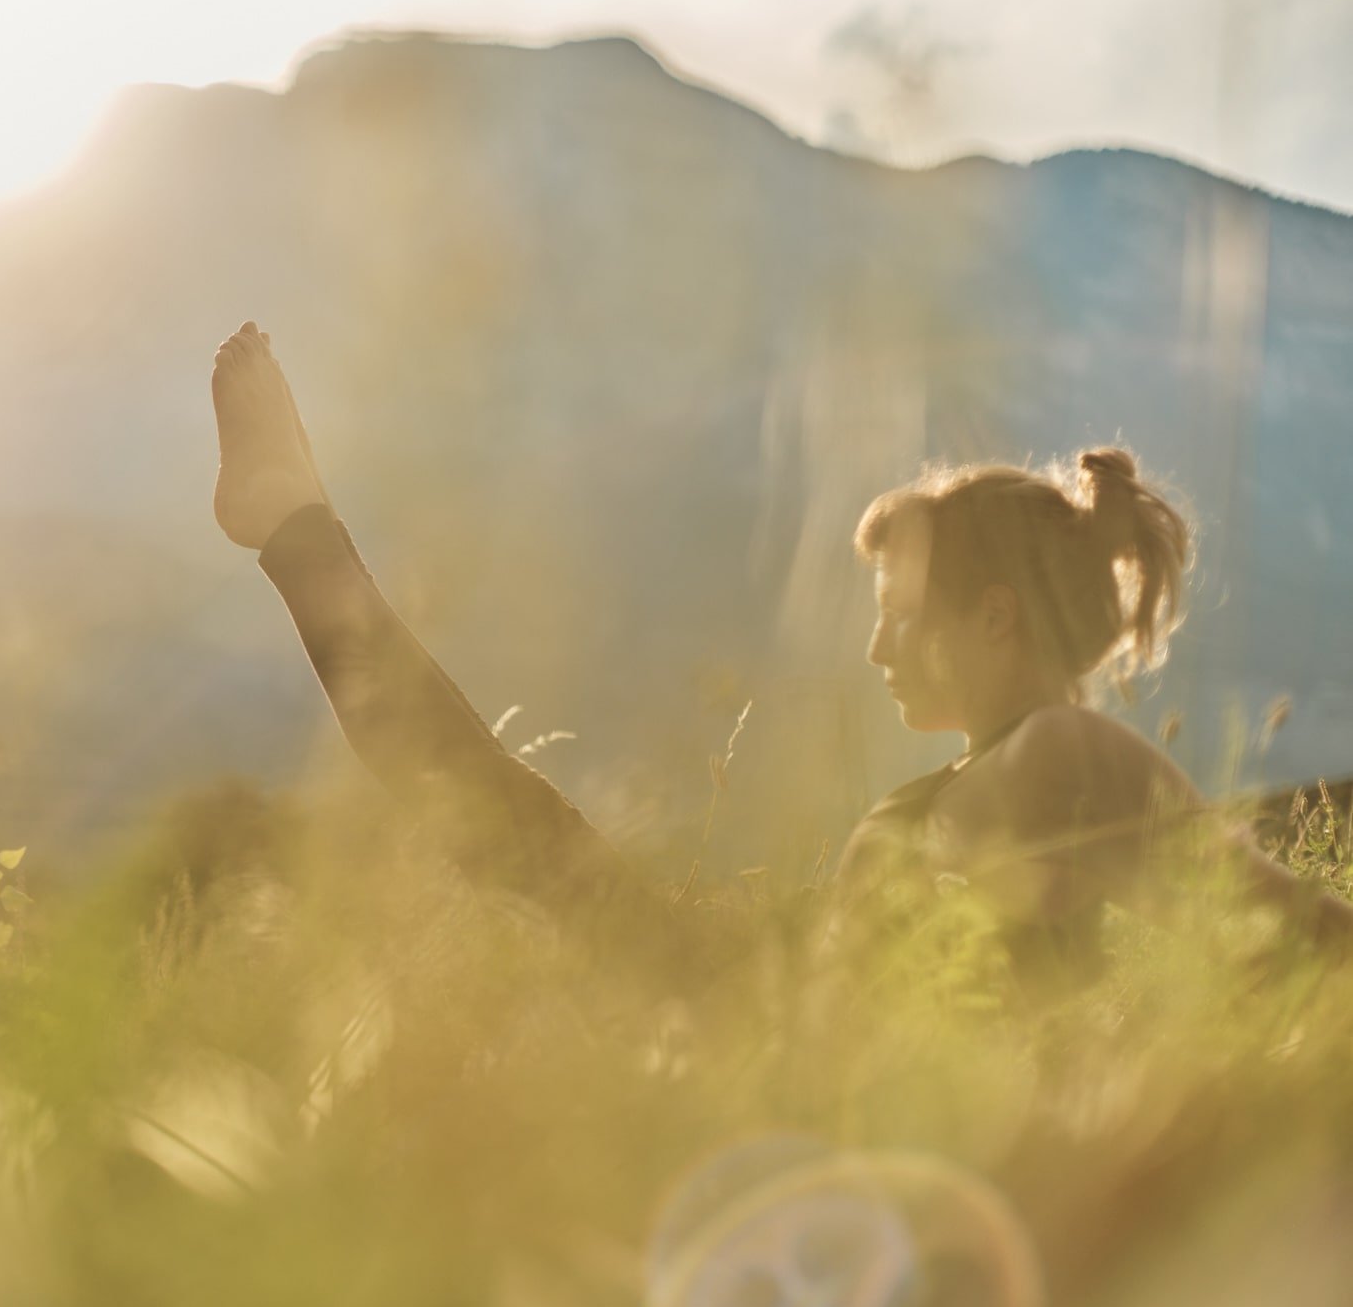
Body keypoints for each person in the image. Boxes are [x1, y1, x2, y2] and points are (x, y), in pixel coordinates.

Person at [208, 320, 1347, 978]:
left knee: (489, 815)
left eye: (899, 611)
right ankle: (297, 532)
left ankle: (299, 532)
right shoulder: (998, 768)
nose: (875, 649)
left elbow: (1295, 935)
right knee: (486, 812)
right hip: (763, 1009)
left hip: (796, 1057)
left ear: (995, 617)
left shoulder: (1067, 755)